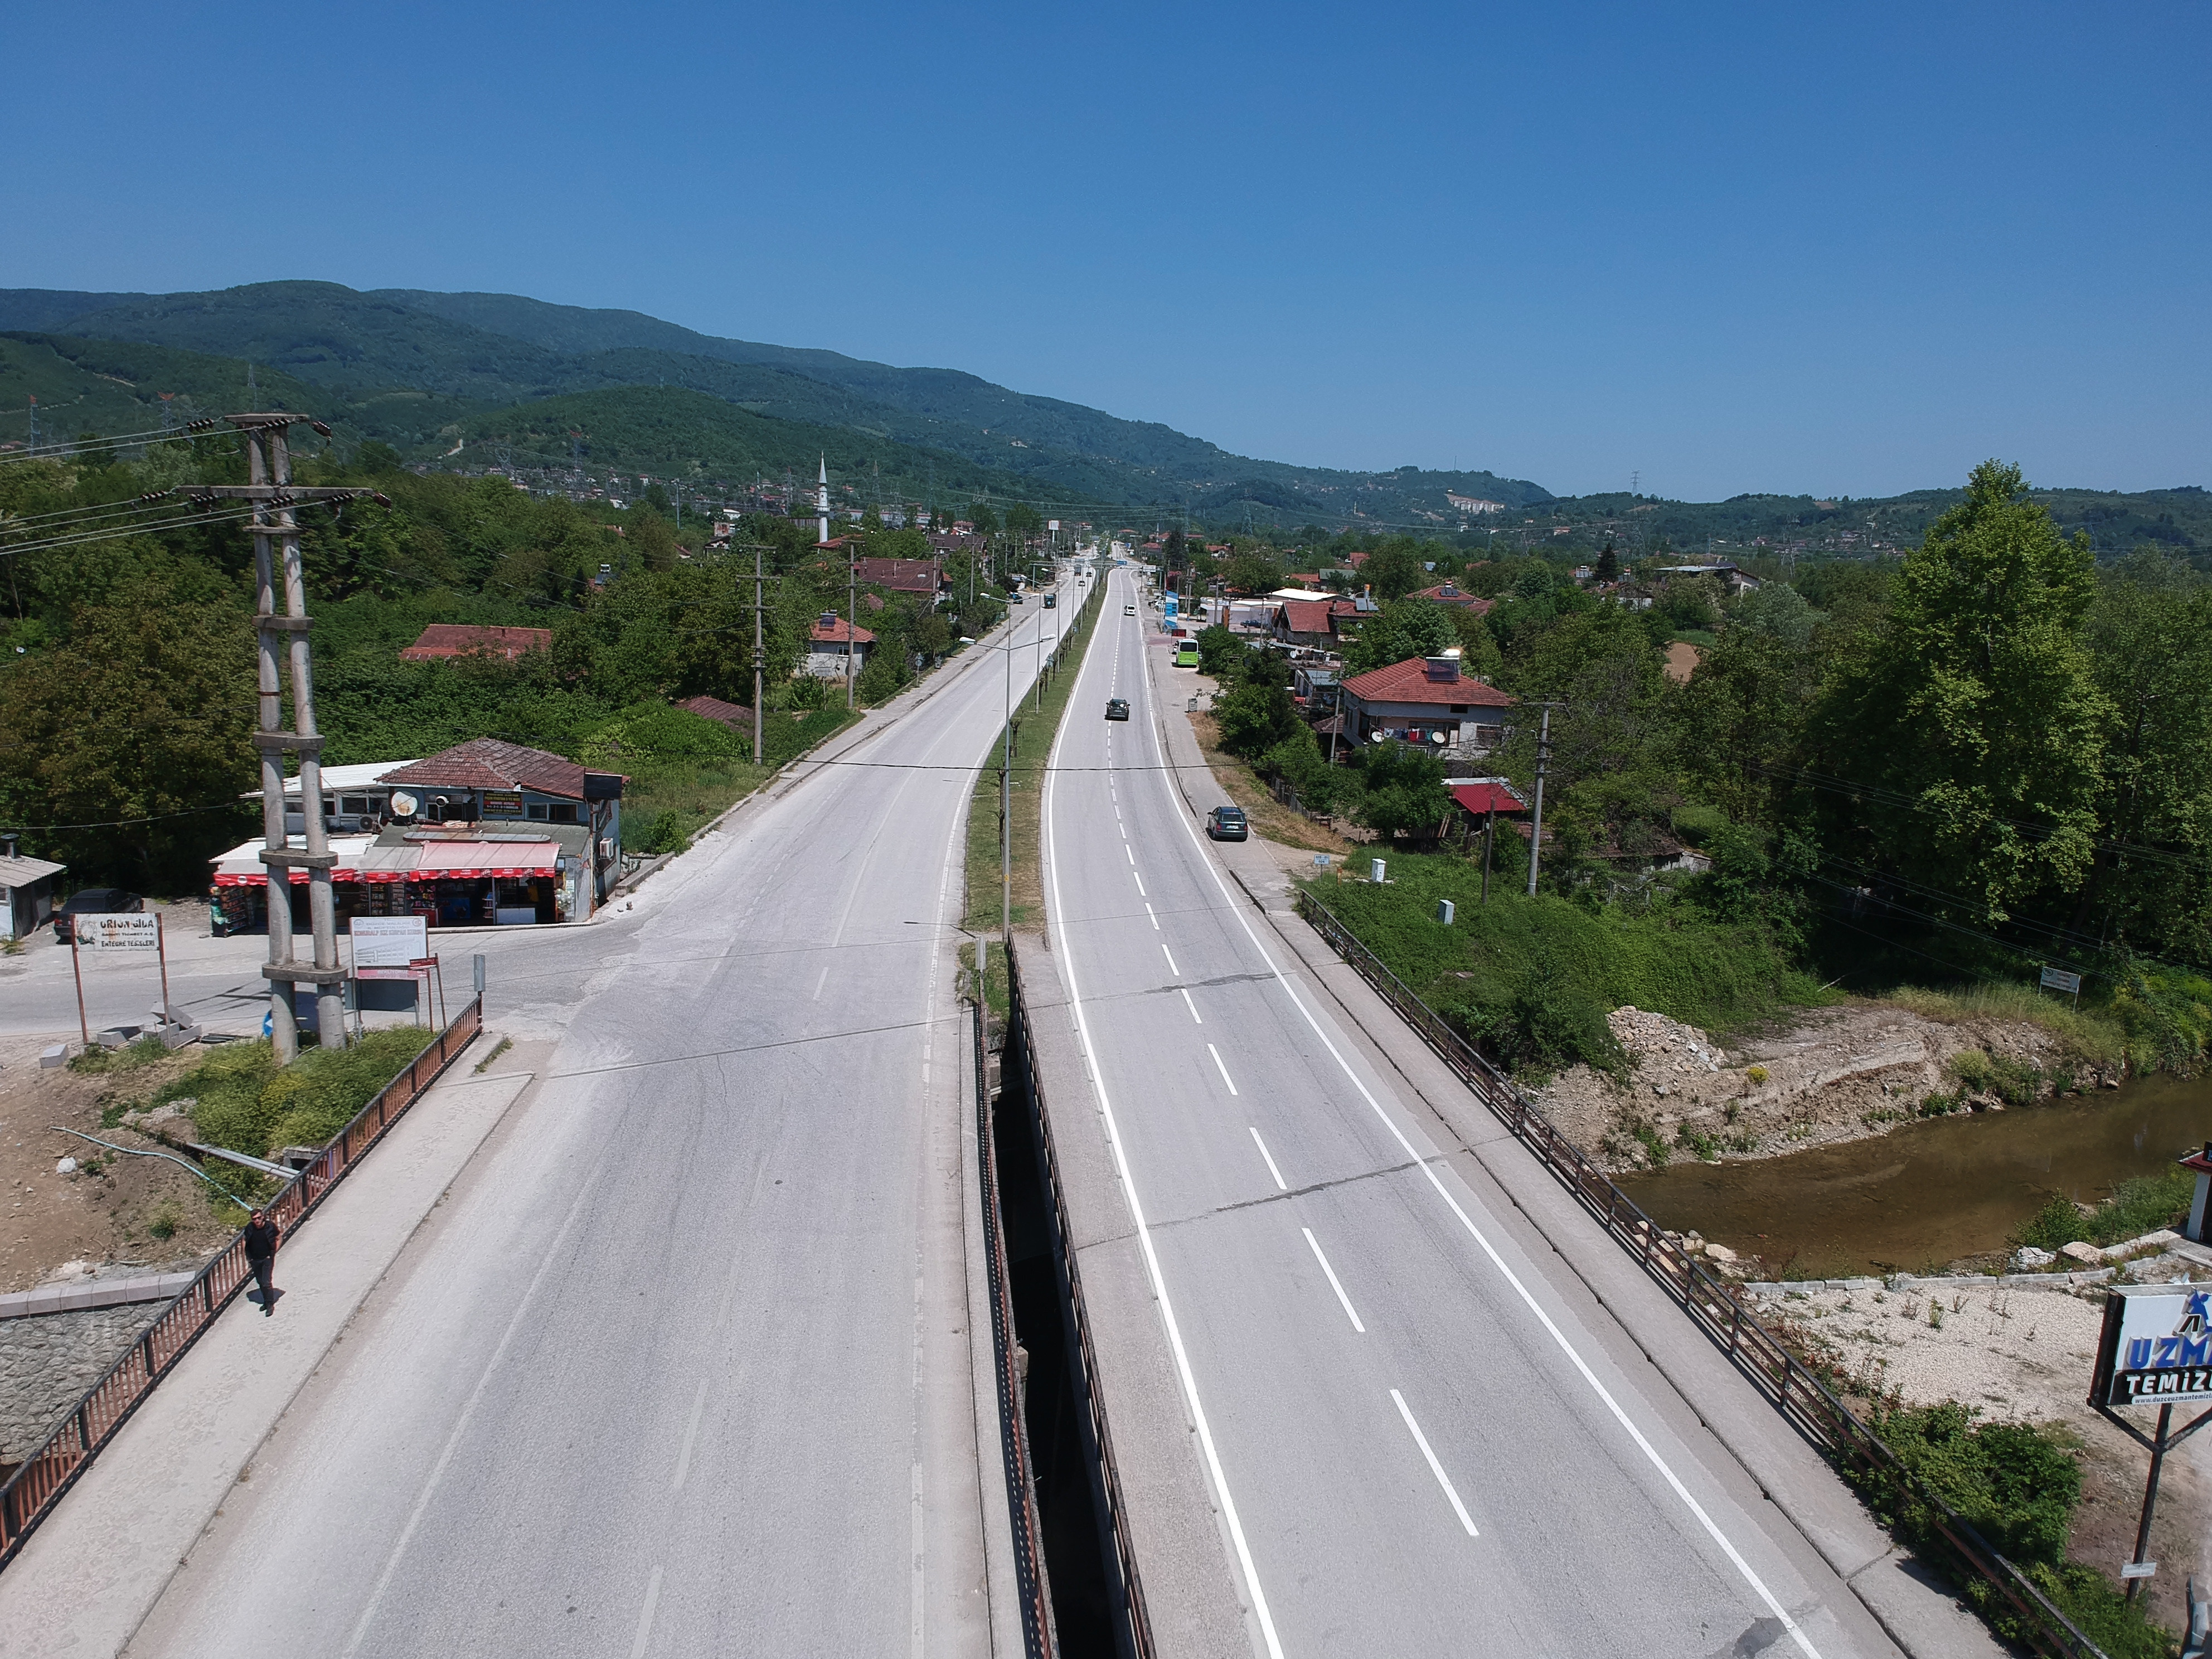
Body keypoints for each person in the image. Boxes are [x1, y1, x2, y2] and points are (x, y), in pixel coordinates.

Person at [243, 1208, 281, 1316]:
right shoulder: (250, 1228)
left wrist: (273, 1253)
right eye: (254, 1219)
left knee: (266, 1282)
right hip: (255, 1260)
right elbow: (244, 1240)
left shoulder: (270, 1226)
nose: (257, 1221)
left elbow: (279, 1238)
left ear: (263, 1217)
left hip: (267, 1259)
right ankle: (266, 1301)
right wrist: (248, 1256)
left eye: (259, 1218)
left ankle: (270, 1305)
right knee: (260, 1282)